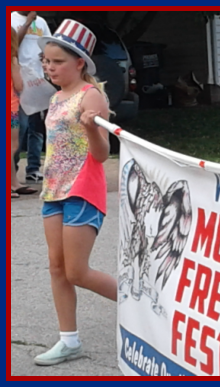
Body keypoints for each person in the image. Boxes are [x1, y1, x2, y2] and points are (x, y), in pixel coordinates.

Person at [33, 19, 117, 366]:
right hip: (53, 189)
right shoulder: (55, 97)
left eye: (57, 62)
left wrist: (92, 129)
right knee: (57, 268)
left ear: (79, 63)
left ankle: (144, 307)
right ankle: (69, 341)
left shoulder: (90, 94)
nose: (50, 68)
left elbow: (101, 153)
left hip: (82, 188)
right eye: (46, 62)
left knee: (77, 271)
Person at [11, 11, 52, 183]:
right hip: (18, 80)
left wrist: (46, 57)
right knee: (20, 127)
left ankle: (33, 169)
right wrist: (27, 23)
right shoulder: (11, 18)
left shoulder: (41, 22)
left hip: (38, 81)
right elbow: (12, 45)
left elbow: (48, 45)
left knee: (37, 127)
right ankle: (12, 171)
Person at [11, 27, 38, 199]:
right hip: (10, 108)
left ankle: (14, 182)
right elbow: (19, 85)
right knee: (11, 148)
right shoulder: (12, 59)